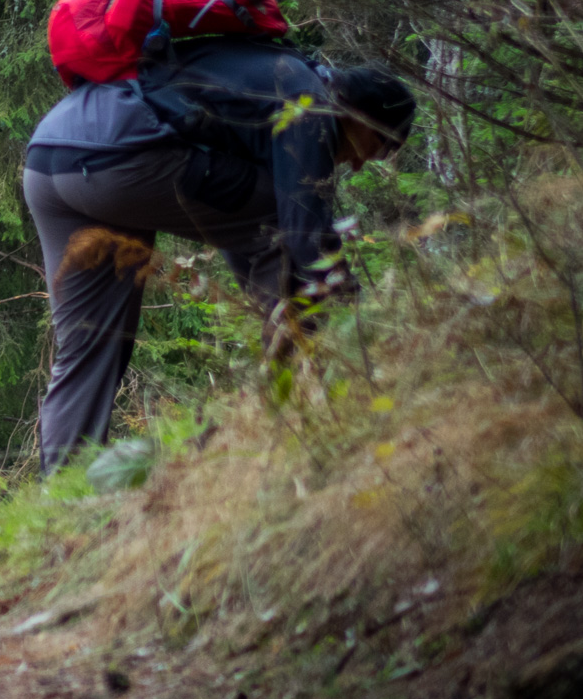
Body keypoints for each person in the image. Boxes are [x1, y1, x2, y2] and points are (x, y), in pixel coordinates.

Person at [23, 37, 416, 472]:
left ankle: (63, 499)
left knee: (88, 340)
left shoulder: (279, 74)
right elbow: (301, 232)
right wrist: (360, 317)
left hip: (49, 155)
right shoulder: (312, 104)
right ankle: (302, 402)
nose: (360, 164)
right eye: (378, 147)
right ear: (363, 116)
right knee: (286, 218)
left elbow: (232, 225)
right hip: (116, 156)